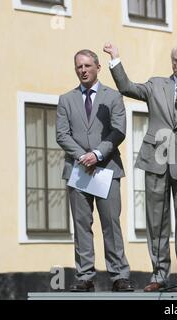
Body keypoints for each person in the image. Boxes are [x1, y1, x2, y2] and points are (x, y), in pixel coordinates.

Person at [103, 42, 177, 292]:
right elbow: (127, 87)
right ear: (171, 61)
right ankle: (159, 274)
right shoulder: (156, 85)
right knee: (156, 221)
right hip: (155, 159)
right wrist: (115, 58)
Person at [56, 49, 134, 292]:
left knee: (111, 223)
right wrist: (83, 156)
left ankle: (119, 276)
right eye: (79, 66)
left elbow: (119, 130)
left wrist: (97, 153)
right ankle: (85, 276)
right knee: (81, 225)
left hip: (107, 169)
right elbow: (61, 134)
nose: (83, 70)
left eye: (87, 65)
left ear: (98, 67)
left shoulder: (113, 97)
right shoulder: (66, 99)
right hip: (78, 169)